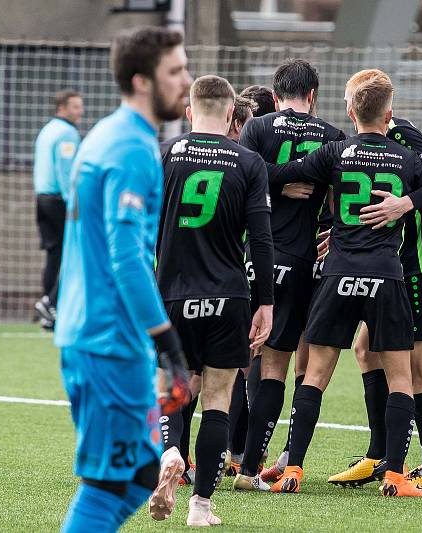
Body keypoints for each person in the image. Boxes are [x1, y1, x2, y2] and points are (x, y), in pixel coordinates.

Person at [267, 73, 422, 497]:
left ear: (350, 113)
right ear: (389, 113)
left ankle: (293, 469)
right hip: (386, 275)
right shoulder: (406, 157)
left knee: (315, 372)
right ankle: (394, 477)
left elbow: (276, 170)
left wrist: (282, 180)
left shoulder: (335, 151)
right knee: (401, 376)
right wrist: (405, 202)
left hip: (338, 272)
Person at [54, 26, 193, 532]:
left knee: (138, 473)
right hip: (107, 338)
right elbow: (126, 256)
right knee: (111, 483)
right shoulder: (132, 149)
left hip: (101, 334)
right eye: (175, 71)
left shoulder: (109, 135)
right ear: (141, 81)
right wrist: (166, 341)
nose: (186, 80)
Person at [325, 69, 422, 493]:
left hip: (420, 264)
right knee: (365, 349)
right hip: (390, 267)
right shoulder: (365, 143)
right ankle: (379, 454)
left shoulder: (405, 135)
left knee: (416, 363)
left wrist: (407, 204)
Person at [156, 74, 274, 526]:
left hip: (171, 294)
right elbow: (260, 241)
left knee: (174, 388)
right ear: (231, 116)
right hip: (228, 295)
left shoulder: (165, 155)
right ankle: (201, 505)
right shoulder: (248, 162)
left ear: (189, 112)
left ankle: (170, 451)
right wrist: (265, 302)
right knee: (219, 398)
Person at [233, 59, 346, 491]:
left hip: (253, 257)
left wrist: (272, 181)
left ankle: (215, 455)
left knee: (230, 360)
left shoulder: (258, 129)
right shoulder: (333, 137)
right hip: (300, 261)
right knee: (278, 363)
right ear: (313, 95)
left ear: (275, 95)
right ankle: (250, 469)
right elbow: (340, 201)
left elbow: (241, 180)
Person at [33, 89, 83, 330]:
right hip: (59, 201)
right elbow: (66, 172)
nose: (80, 111)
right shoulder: (66, 134)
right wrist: (73, 203)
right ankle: (51, 302)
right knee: (72, 254)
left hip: (42, 198)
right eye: (75, 106)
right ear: (62, 107)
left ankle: (48, 313)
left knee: (54, 254)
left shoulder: (47, 130)